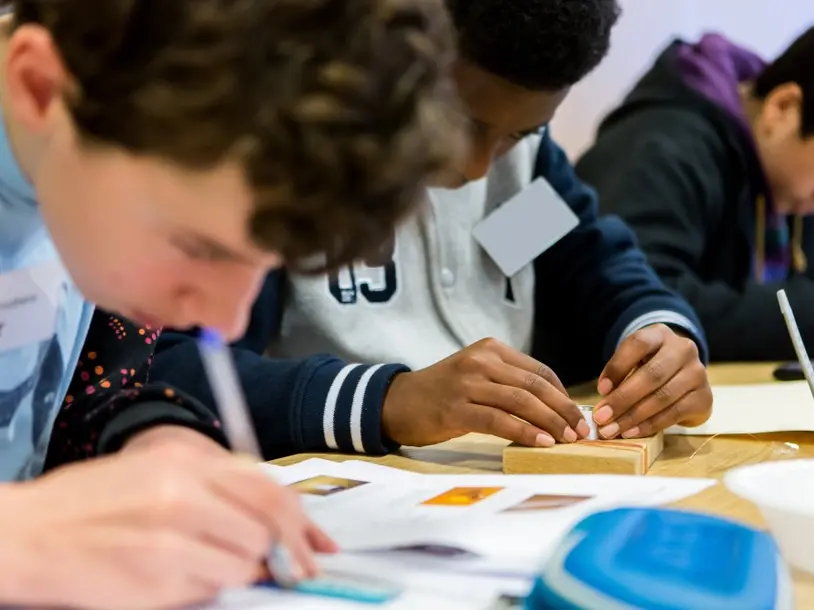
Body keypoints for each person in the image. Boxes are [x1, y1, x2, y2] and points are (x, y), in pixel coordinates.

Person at [0, 0, 460, 607]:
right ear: (39, 88)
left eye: (264, 266)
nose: (227, 320)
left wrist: (153, 439)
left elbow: (74, 397)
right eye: (200, 247)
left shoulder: (83, 180)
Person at [151, 0, 713, 461]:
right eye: (461, 123)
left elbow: (596, 269)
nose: (476, 167)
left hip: (506, 486)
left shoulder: (515, 169)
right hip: (342, 490)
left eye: (518, 135)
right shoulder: (296, 157)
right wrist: (389, 400)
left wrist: (661, 338)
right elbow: (181, 370)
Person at [576, 23, 814, 362]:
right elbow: (631, 295)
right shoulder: (658, 146)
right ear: (782, 107)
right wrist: (809, 318)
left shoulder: (796, 188)